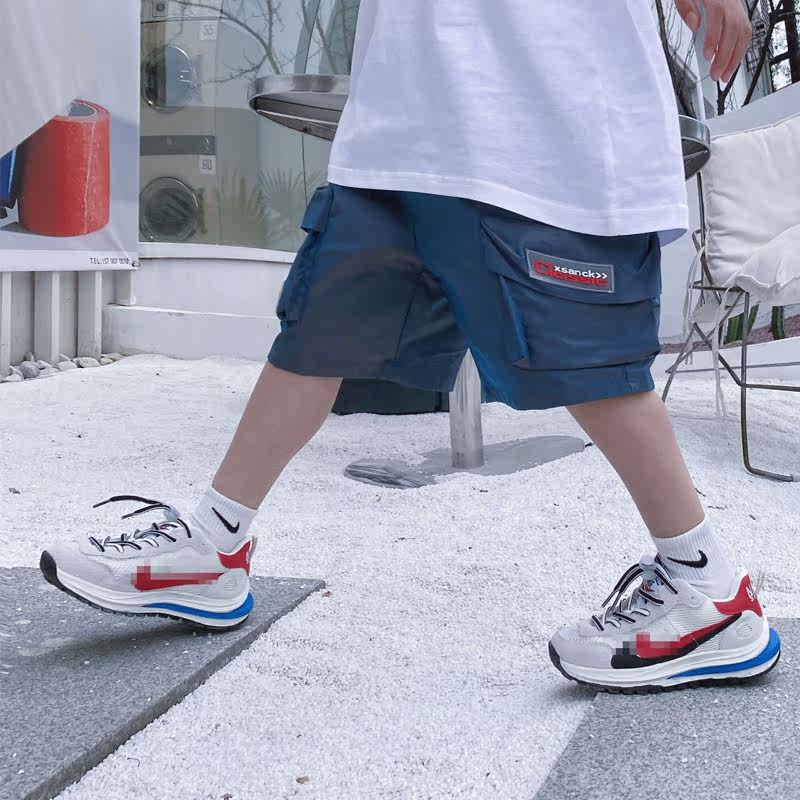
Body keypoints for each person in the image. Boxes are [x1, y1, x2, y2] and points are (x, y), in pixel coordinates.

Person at [40, 0, 780, 692]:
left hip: (537, 114)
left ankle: (708, 589)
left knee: (589, 363)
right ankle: (215, 543)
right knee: (320, 332)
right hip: (401, 115)